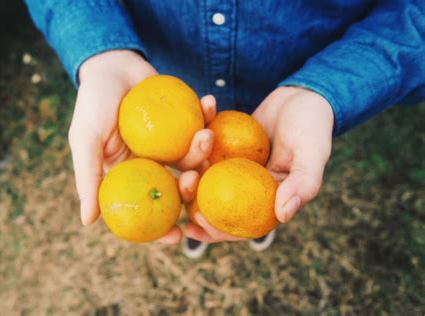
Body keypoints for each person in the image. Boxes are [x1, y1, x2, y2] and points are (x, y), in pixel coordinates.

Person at [25, 1, 425, 258]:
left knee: (256, 186)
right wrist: (102, 53)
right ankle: (200, 216)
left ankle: (234, 221)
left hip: (292, 77)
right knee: (191, 183)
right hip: (163, 75)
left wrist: (324, 90)